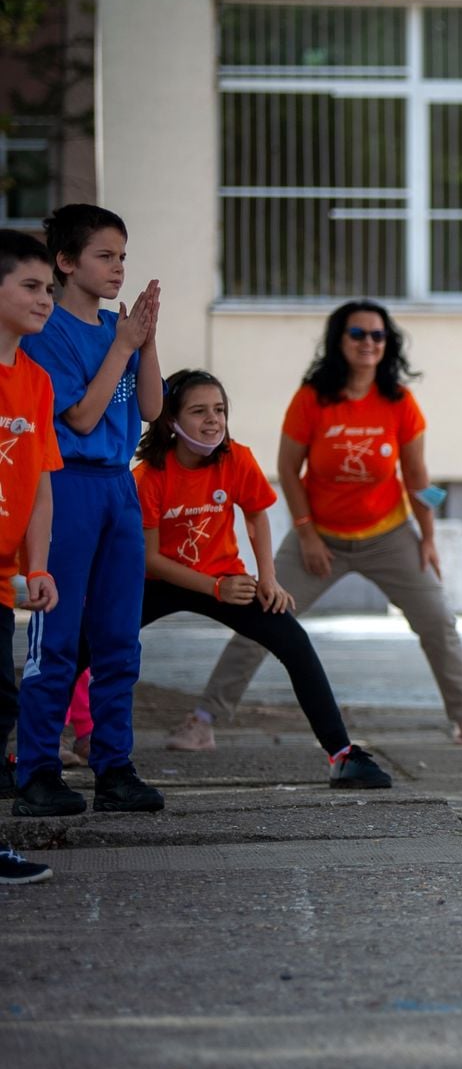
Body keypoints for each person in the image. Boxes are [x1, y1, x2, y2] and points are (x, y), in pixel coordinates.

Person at [181, 302, 462, 748]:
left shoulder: (399, 402)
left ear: (387, 344)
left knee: (437, 620)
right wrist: (307, 534)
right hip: (321, 540)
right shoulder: (312, 398)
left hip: (389, 535)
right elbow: (288, 470)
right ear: (339, 339)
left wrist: (427, 537)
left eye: (377, 335)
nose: (368, 343)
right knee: (261, 618)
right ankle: (202, 720)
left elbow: (418, 478)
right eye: (357, 333)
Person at [140, 370, 390, 788]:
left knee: (293, 639)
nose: (213, 420)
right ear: (171, 421)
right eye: (199, 411)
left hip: (224, 577)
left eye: (219, 410)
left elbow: (256, 514)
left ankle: (343, 755)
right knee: (87, 645)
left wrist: (267, 578)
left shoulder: (235, 457)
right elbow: (148, 557)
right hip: (160, 580)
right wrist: (213, 588)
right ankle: (38, 751)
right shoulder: (149, 476)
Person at [12, 205, 164, 817]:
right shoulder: (48, 331)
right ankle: (37, 768)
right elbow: (79, 416)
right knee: (58, 638)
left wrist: (145, 342)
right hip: (68, 484)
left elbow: (151, 409)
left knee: (119, 636)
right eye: (104, 256)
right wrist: (122, 346)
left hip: (117, 488)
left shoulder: (118, 327)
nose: (117, 268)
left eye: (123, 256)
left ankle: (114, 765)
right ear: (66, 262)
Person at [0, 230, 61, 876]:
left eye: (49, 288)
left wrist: (36, 564)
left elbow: (40, 485)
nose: (45, 299)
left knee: (2, 699)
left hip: (4, 577)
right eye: (31, 286)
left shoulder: (37, 382)